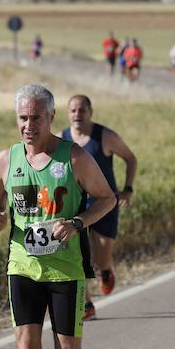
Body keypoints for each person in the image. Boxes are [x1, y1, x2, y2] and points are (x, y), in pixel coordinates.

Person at [0, 84, 116, 349]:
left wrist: (76, 221)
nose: (28, 125)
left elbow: (107, 199)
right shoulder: (5, 160)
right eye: (22, 118)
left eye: (35, 118)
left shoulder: (73, 158)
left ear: (50, 117)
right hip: (22, 267)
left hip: (65, 270)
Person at [62, 95, 137, 321]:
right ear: (68, 113)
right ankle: (86, 305)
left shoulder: (105, 136)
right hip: (76, 207)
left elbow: (131, 158)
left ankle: (106, 270)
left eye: (82, 110)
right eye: (73, 110)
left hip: (104, 204)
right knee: (77, 256)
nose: (77, 114)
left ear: (90, 111)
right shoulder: (62, 138)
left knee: (101, 259)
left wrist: (128, 189)